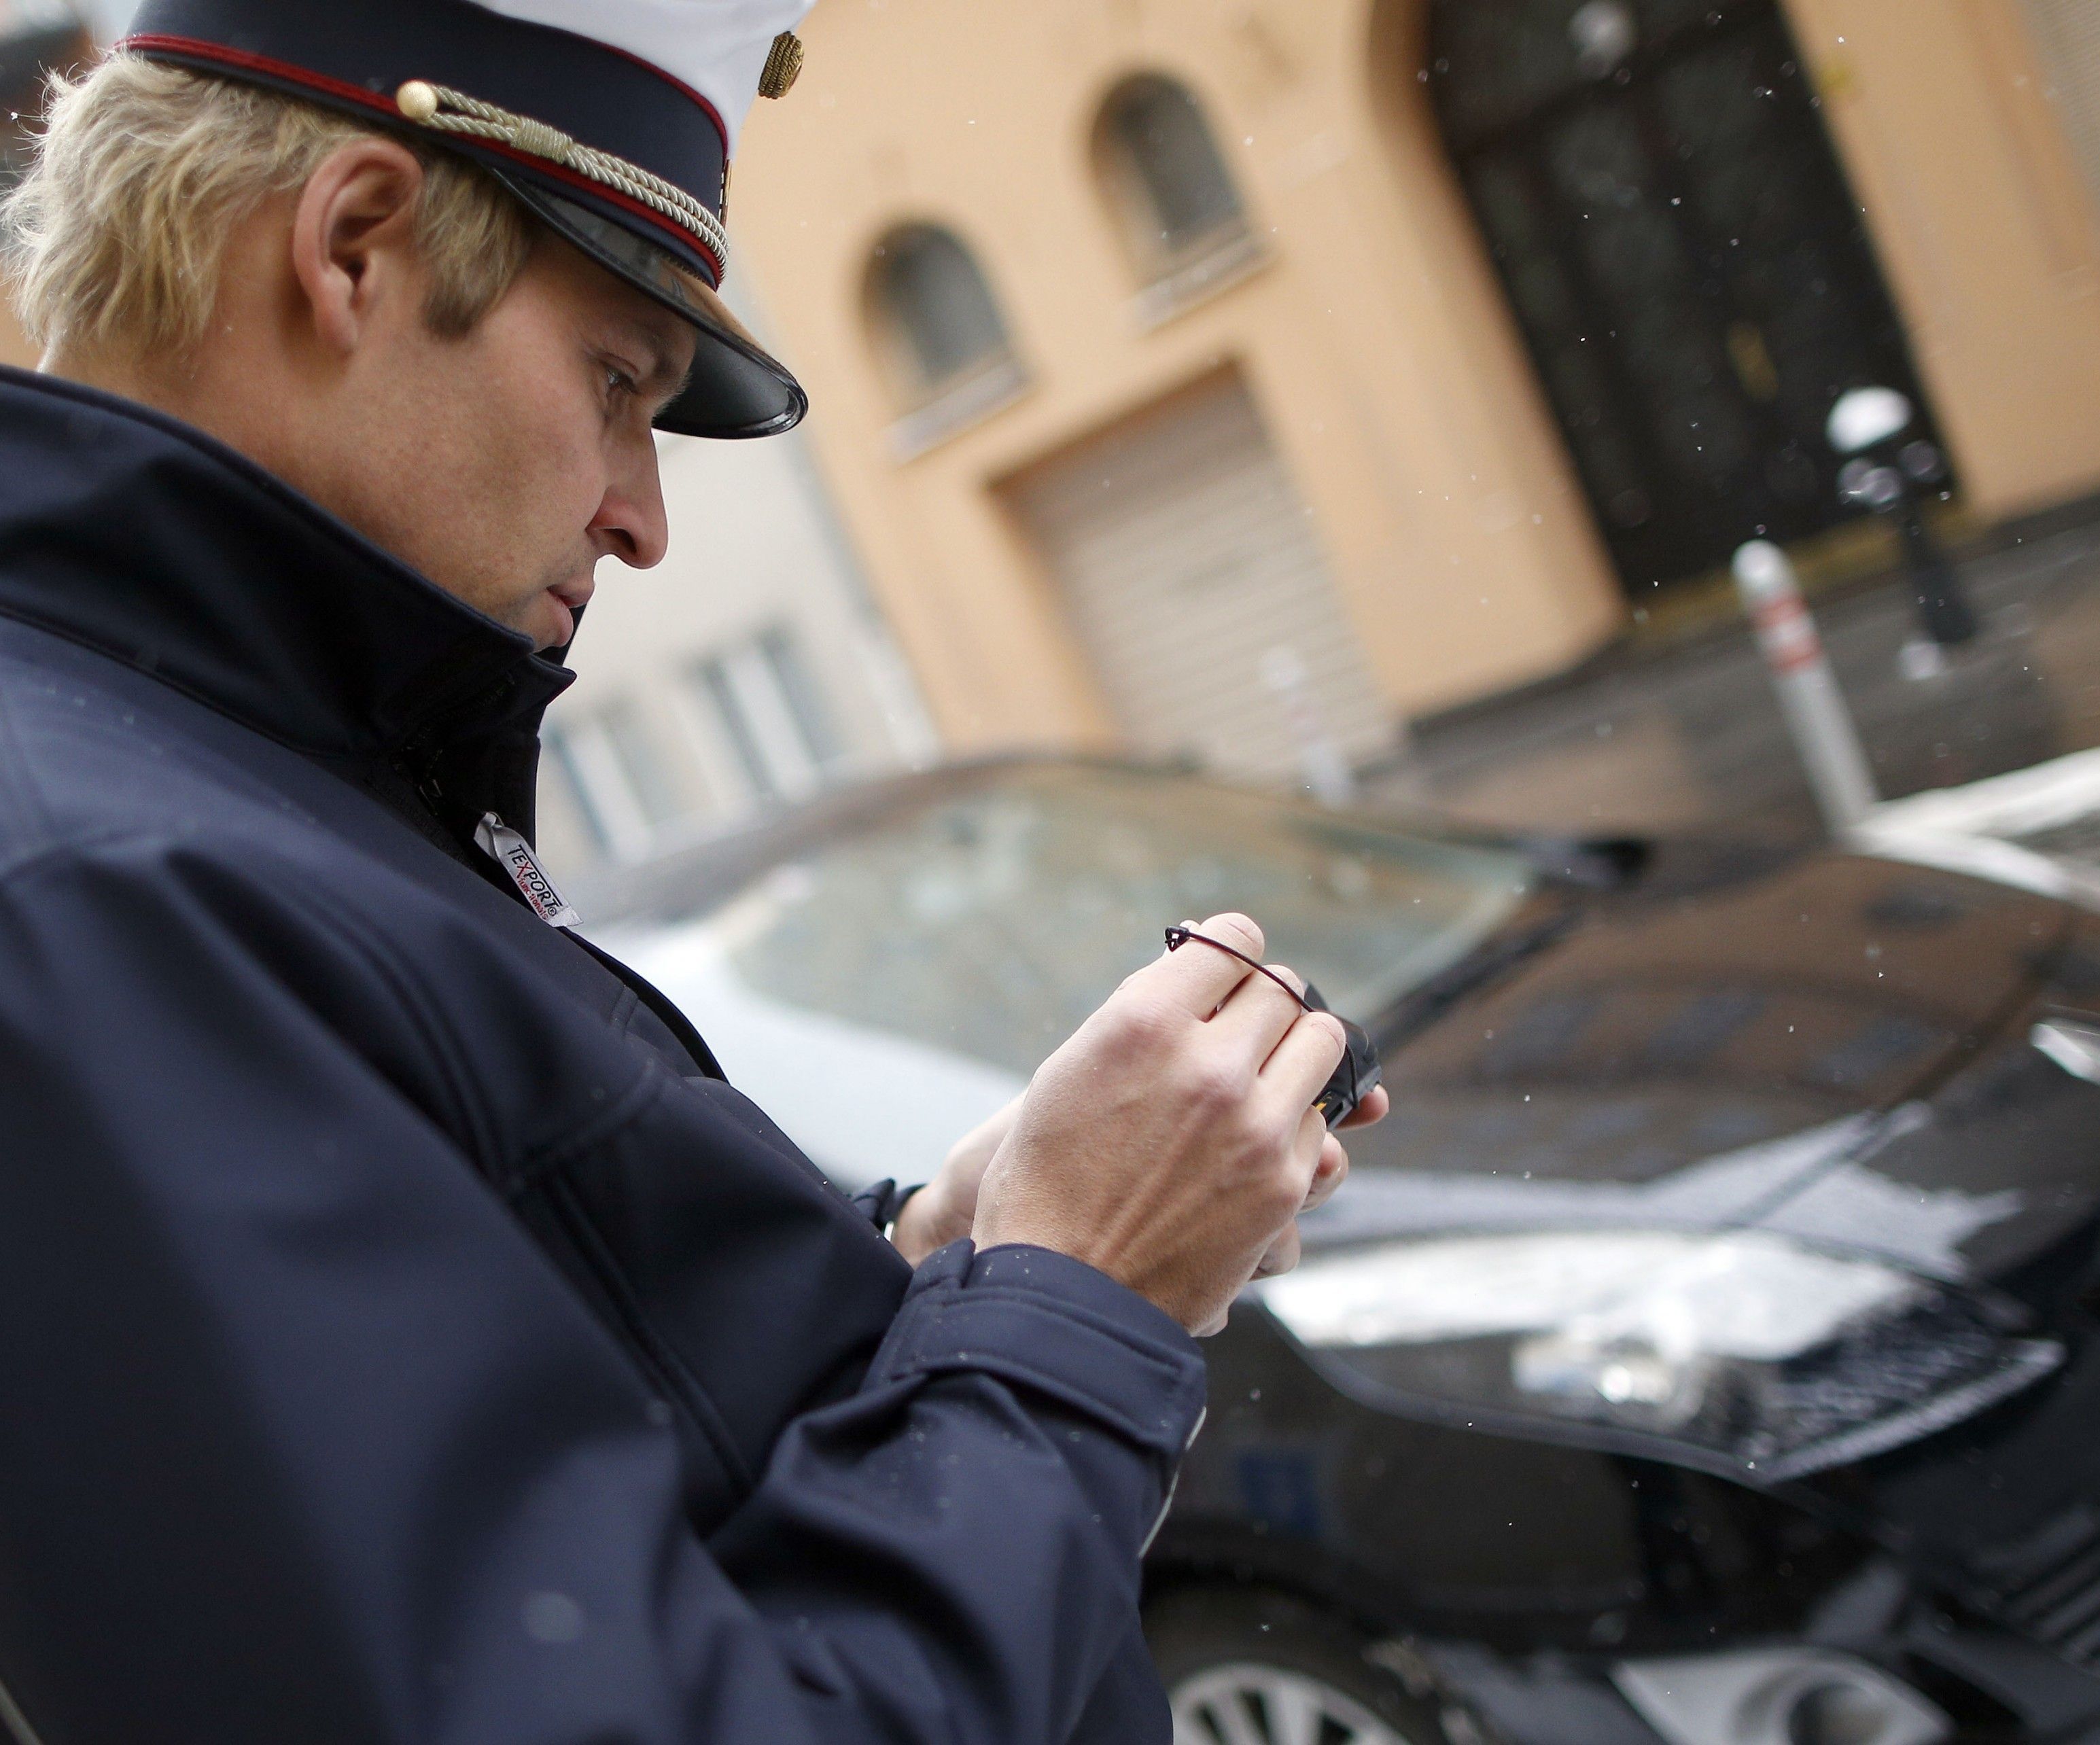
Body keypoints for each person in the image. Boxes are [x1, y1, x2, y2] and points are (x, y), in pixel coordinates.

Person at [0, 3, 1384, 1741]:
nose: (642, 514)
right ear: (351, 248)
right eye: (617, 385)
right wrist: (1081, 1298)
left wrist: (942, 1254)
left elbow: (603, 1432)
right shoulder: (88, 893)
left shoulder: (232, 783)